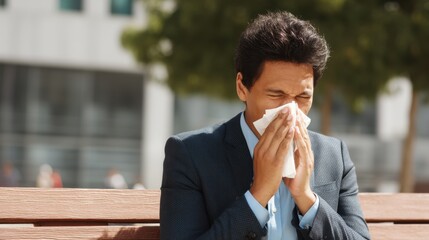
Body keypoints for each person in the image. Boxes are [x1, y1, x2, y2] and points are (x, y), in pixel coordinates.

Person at [160, 11, 370, 240]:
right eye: (276, 94)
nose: (291, 110)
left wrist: (307, 199)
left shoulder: (333, 156)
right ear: (242, 87)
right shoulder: (191, 154)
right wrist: (257, 196)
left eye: (302, 97)